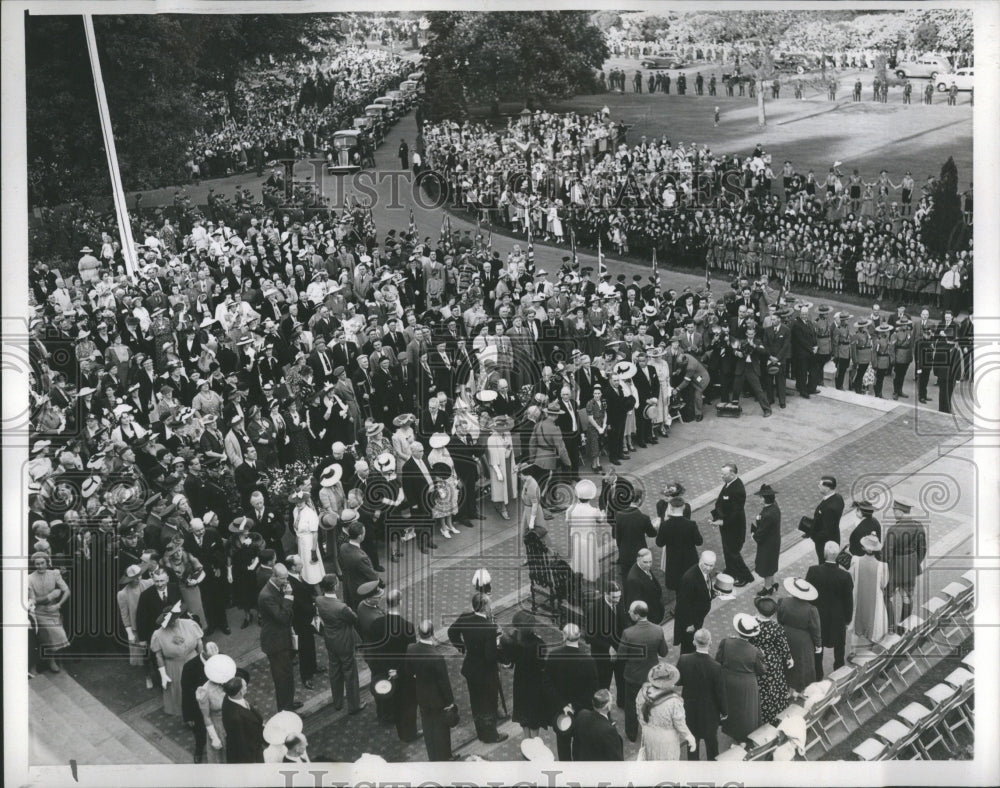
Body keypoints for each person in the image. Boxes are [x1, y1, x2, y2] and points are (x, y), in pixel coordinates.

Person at [447, 592, 508, 744]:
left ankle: (481, 732)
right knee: (489, 703)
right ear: (484, 607)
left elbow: (451, 632)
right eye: (489, 605)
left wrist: (462, 647)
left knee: (477, 702)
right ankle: (491, 735)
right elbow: (490, 656)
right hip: (486, 673)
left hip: (471, 668)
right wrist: (499, 647)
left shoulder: (465, 617)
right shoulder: (488, 628)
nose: (490, 608)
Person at [618, 599, 669, 743]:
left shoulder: (628, 633)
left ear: (637, 615)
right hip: (651, 676)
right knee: (651, 703)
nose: (628, 612)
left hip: (633, 676)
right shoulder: (658, 630)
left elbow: (621, 656)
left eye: (631, 611)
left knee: (631, 705)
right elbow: (664, 652)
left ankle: (632, 733)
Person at [406, 619, 457, 761]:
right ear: (433, 633)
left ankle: (433, 757)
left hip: (421, 696)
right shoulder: (436, 656)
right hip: (438, 700)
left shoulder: (411, 648)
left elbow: (409, 670)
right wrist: (450, 702)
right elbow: (443, 682)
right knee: (441, 730)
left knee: (428, 729)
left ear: (418, 633)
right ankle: (445, 756)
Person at [315, 573, 365, 715]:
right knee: (350, 674)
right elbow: (354, 619)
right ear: (335, 586)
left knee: (335, 672)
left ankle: (337, 702)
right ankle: (354, 705)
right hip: (344, 642)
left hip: (330, 641)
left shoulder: (319, 600)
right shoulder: (341, 607)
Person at [676, 628, 728, 761]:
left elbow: (678, 681)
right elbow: (720, 693)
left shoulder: (683, 659)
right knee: (712, 743)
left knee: (692, 742)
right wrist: (724, 711)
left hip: (690, 709)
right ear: (710, 643)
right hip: (709, 712)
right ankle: (712, 766)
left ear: (694, 642)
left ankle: (693, 767)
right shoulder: (716, 667)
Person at [805, 541, 854, 679]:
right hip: (838, 618)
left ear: (824, 554)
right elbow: (848, 601)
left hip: (818, 616)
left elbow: (808, 595)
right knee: (839, 648)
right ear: (837, 555)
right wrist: (848, 619)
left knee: (818, 648)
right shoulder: (844, 576)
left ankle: (818, 675)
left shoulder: (813, 571)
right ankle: (839, 674)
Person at [715, 614, 767, 742]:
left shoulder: (726, 642)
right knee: (746, 711)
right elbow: (762, 671)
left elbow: (718, 660)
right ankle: (745, 738)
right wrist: (763, 658)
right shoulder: (755, 651)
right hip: (747, 684)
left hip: (728, 680)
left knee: (731, 708)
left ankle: (731, 731)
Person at [258, 563, 302, 711]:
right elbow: (282, 617)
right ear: (274, 577)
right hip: (275, 643)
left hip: (282, 638)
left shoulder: (276, 587)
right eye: (283, 579)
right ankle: (285, 710)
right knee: (282, 679)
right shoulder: (266, 596)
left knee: (288, 675)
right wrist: (289, 597)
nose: (286, 582)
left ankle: (288, 702)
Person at [500, 611, 550, 740]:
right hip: (535, 681)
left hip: (520, 680)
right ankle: (535, 743)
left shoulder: (511, 642)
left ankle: (526, 740)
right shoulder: (538, 644)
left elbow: (509, 660)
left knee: (523, 712)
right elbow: (542, 663)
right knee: (534, 714)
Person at [150, 601, 204, 717]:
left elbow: (199, 643)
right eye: (170, 621)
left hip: (193, 660)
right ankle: (189, 716)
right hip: (175, 667)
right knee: (182, 692)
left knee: (200, 687)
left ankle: (204, 711)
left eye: (175, 618)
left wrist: (202, 660)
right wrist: (163, 674)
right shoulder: (158, 634)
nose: (173, 622)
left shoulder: (190, 624)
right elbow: (158, 655)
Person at [882, 497, 927, 631]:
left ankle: (891, 626)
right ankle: (904, 626)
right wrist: (914, 563)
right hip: (911, 568)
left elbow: (886, 555)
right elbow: (922, 549)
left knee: (886, 596)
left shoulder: (893, 530)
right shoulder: (918, 526)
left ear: (900, 512)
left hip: (894, 570)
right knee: (907, 597)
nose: (894, 513)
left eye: (895, 510)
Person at [635, 662, 695, 760]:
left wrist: (648, 728)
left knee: (651, 760)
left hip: (648, 735)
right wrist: (689, 736)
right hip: (666, 739)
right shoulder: (674, 701)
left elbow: (639, 714)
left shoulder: (642, 693)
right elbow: (680, 724)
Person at [748, 596, 793, 725]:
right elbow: (783, 646)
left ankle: (761, 716)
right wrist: (789, 658)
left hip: (756, 660)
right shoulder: (776, 627)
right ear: (773, 614)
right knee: (775, 688)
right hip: (772, 662)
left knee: (761, 689)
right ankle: (776, 716)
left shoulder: (751, 623)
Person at [710, 463, 753, 586]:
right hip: (727, 526)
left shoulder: (738, 490)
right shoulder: (729, 484)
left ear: (733, 474)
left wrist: (722, 521)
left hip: (734, 528)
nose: (721, 477)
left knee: (733, 553)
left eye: (724, 474)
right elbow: (720, 503)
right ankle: (731, 571)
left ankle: (745, 576)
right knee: (727, 550)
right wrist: (716, 518)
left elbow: (735, 513)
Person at [27, 552, 71, 673]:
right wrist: (51, 596)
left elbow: (67, 591)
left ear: (47, 563)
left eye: (42, 563)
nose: (40, 566)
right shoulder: (29, 579)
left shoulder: (55, 574)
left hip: (54, 610)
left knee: (55, 636)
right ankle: (40, 664)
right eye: (37, 564)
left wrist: (58, 604)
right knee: (53, 634)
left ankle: (51, 661)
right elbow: (33, 601)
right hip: (39, 613)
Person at [584, 580, 627, 696]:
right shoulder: (594, 609)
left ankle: (622, 703)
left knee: (622, 681)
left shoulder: (620, 602)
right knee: (603, 685)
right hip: (602, 656)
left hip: (621, 651)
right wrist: (608, 648)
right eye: (614, 597)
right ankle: (604, 712)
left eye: (619, 597)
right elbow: (588, 637)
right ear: (606, 594)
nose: (618, 600)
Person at [848, 534, 889, 654]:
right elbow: (884, 584)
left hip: (858, 596)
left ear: (864, 548)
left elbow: (852, 577)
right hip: (875, 598)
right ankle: (870, 649)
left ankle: (853, 651)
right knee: (875, 621)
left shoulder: (855, 560)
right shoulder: (882, 566)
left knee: (856, 621)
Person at [286, 555, 322, 690]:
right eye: (300, 564)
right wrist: (315, 608)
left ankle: (313, 667)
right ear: (293, 567)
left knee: (310, 643)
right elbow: (301, 605)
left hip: (305, 618)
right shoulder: (293, 584)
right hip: (301, 621)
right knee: (304, 647)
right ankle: (306, 676)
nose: (302, 565)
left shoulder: (296, 577)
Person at [567, 478, 609, 592]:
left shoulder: (572, 508)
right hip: (589, 539)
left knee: (578, 558)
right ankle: (590, 582)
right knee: (590, 560)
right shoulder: (593, 510)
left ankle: (578, 577)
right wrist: (604, 512)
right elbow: (601, 520)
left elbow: (568, 520)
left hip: (576, 538)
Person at [655, 496, 702, 592]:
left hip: (673, 561)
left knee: (677, 587)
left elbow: (659, 543)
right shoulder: (691, 524)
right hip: (689, 560)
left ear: (671, 508)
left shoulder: (665, 525)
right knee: (689, 586)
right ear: (683, 507)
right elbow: (699, 542)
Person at [673, 550, 716, 654]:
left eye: (711, 565)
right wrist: (690, 624)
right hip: (690, 623)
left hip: (697, 618)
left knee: (693, 644)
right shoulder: (689, 579)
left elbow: (704, 588)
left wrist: (712, 593)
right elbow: (683, 604)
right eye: (706, 565)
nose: (709, 568)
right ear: (700, 560)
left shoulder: (704, 572)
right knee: (688, 647)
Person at [613, 484, 656, 578]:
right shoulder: (644, 518)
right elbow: (652, 534)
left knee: (626, 578)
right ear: (639, 500)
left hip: (624, 553)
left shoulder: (619, 515)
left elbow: (617, 537)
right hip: (640, 552)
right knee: (641, 578)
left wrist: (621, 549)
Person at [221, 674, 265, 764]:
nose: (246, 687)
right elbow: (242, 744)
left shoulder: (229, 697)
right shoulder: (236, 718)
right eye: (245, 686)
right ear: (240, 692)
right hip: (250, 750)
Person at [571, 689, 624, 761]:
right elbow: (615, 759)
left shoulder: (582, 714)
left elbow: (576, 744)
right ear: (608, 706)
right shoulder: (609, 730)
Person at [750, 483, 781, 597]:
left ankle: (768, 588)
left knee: (766, 565)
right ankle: (771, 585)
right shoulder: (775, 507)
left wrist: (753, 534)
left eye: (761, 497)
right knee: (771, 564)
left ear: (764, 498)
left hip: (767, 544)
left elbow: (761, 532)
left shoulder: (767, 515)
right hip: (774, 541)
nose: (759, 499)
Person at [808, 475, 845, 563]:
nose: (818, 486)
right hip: (834, 538)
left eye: (820, 485)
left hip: (825, 544)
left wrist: (813, 536)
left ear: (827, 488)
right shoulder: (838, 498)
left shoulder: (830, 508)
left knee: (825, 564)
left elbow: (826, 531)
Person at [624, 548, 664, 626]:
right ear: (638, 560)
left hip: (654, 611)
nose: (649, 565)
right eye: (646, 562)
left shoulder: (643, 567)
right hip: (648, 618)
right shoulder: (633, 580)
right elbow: (636, 605)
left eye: (650, 561)